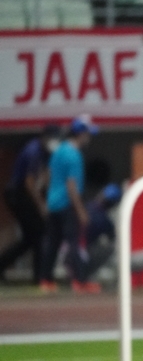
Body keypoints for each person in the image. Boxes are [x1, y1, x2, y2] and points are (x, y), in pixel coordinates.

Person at [39, 115, 100, 294]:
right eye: (88, 134)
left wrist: (51, 196)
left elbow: (47, 175)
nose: (89, 138)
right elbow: (72, 186)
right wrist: (81, 211)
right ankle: (79, 281)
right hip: (67, 205)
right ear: (80, 134)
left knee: (52, 243)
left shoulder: (60, 150)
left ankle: (45, 280)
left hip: (53, 204)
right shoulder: (74, 156)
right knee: (73, 242)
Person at [0, 123, 61, 284]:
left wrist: (49, 196)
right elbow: (29, 182)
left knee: (31, 238)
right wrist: (41, 205)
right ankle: (38, 277)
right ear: (45, 137)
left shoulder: (44, 151)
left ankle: (5, 265)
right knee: (38, 233)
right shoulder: (33, 150)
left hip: (23, 193)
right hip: (17, 193)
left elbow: (45, 175)